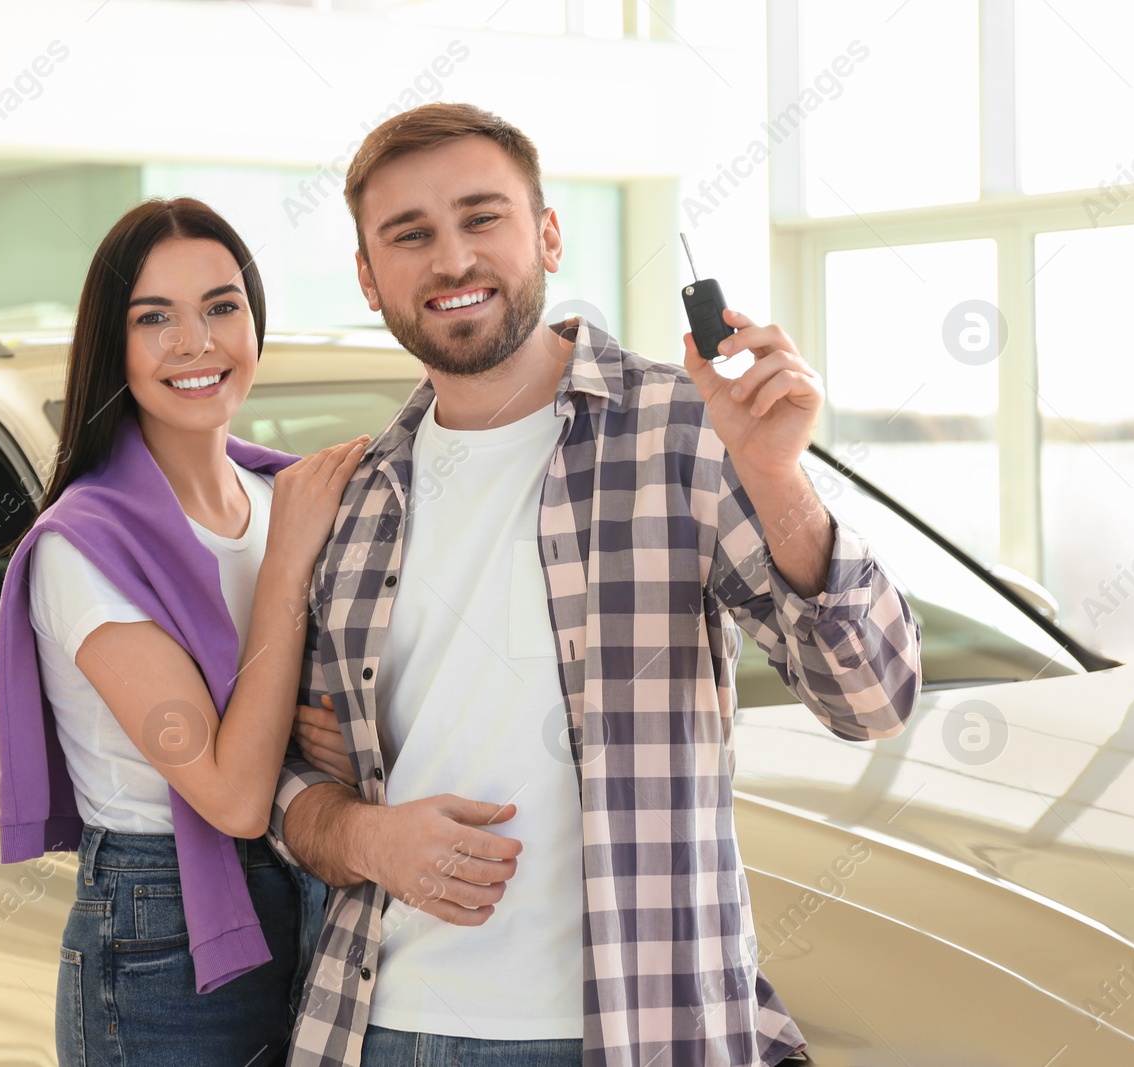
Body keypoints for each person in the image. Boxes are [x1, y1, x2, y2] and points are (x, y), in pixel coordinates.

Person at [271, 103, 924, 1067]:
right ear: (370, 278)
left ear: (547, 235)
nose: (452, 260)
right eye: (409, 235)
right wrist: (366, 839)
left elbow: (874, 698)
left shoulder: (687, 430)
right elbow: (291, 783)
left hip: (634, 1033)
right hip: (380, 1031)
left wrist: (781, 478)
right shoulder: (353, 498)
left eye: (481, 217)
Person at [0, 197, 364, 1067]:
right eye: (153, 318)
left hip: (319, 891)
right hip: (161, 928)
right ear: (112, 346)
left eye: (221, 307)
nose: (196, 343)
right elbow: (232, 795)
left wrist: (345, 742)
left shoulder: (283, 497)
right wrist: (283, 575)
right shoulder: (86, 549)